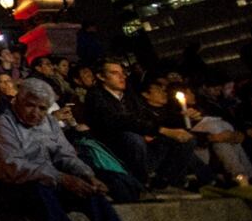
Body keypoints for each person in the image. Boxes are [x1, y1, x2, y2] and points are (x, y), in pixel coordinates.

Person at [0, 78, 169, 221]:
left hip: (51, 179)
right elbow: (14, 167)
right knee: (38, 191)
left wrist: (87, 175)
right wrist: (61, 178)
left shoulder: (48, 123)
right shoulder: (4, 124)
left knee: (91, 192)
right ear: (18, 101)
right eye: (30, 105)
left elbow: (65, 154)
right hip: (16, 186)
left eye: (41, 108)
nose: (35, 113)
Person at [84, 59, 199, 189]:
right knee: (133, 137)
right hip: (115, 145)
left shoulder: (128, 96)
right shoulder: (96, 96)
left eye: (123, 72)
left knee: (186, 139)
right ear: (101, 76)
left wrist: (182, 118)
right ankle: (141, 182)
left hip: (141, 143)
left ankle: (165, 180)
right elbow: (118, 120)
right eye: (115, 73)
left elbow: (147, 117)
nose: (122, 77)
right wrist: (159, 130)